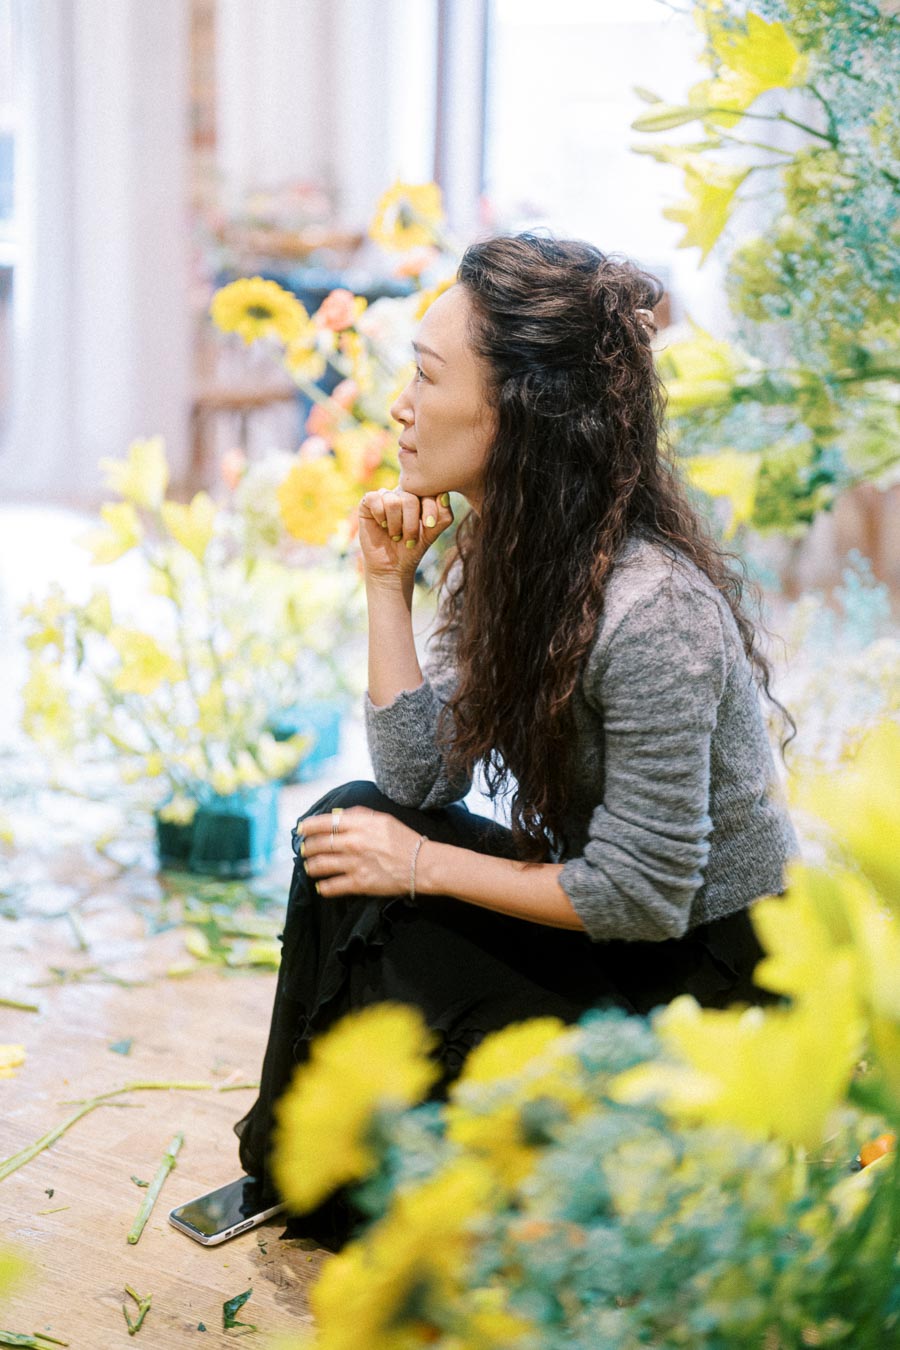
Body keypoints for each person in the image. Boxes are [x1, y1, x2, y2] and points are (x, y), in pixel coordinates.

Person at [234, 233, 800, 1246]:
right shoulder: (519, 553)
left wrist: (424, 867)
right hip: (624, 937)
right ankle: (291, 1164)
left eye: (426, 375)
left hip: (701, 985)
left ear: (521, 411)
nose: (400, 404)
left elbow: (641, 894)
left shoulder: (650, 610)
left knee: (393, 880)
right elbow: (413, 776)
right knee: (347, 830)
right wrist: (386, 587)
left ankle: (389, 1194)